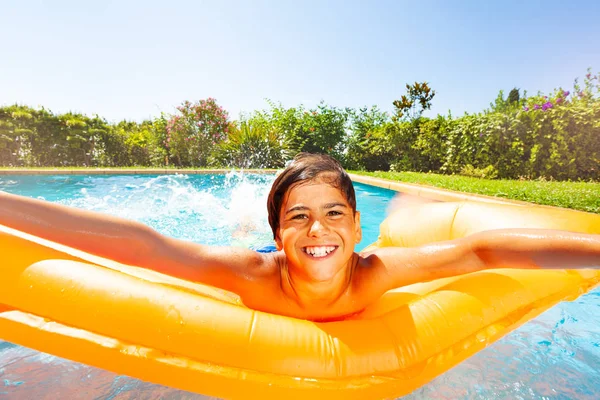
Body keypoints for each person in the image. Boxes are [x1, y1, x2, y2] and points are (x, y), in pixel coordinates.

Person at [1, 152, 599, 321]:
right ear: (281, 233)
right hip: (268, 264)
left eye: (335, 214)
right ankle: (248, 222)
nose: (319, 229)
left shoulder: (375, 273)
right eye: (298, 216)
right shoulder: (253, 274)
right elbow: (146, 247)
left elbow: (481, 249)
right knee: (224, 246)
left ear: (359, 228)